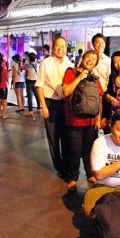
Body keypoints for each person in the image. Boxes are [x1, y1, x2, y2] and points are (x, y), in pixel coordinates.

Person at [62, 49, 103, 191]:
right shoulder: (71, 72)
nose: (90, 60)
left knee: (89, 150)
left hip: (90, 121)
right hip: (74, 120)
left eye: (94, 59)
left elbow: (98, 100)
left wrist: (98, 119)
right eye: (88, 57)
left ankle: (90, 174)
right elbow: (66, 92)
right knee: (74, 150)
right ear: (83, 58)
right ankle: (73, 178)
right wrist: (79, 77)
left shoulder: (95, 78)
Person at [36, 37, 74, 180]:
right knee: (53, 137)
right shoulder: (45, 63)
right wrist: (43, 106)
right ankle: (59, 167)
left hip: (65, 104)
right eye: (57, 46)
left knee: (66, 136)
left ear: (66, 48)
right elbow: (39, 85)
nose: (60, 49)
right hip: (50, 103)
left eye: (63, 46)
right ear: (53, 47)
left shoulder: (69, 63)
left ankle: (67, 165)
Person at [23, 52, 41, 116]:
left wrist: (23, 61)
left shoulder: (28, 66)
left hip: (29, 81)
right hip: (36, 81)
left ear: (29, 58)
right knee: (37, 95)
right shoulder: (38, 65)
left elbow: (21, 68)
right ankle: (39, 108)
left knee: (29, 96)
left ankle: (30, 111)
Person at [0, 53, 9, 118]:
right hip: (4, 86)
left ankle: (0, 113)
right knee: (4, 101)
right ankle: (4, 114)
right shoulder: (4, 69)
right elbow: (6, 78)